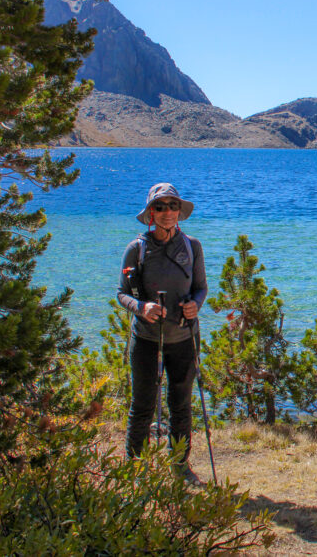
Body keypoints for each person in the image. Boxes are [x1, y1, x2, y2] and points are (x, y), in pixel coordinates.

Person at [117, 183, 207, 479]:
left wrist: (195, 305)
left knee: (180, 404)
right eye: (160, 207)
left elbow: (201, 288)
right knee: (142, 405)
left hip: (183, 338)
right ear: (150, 213)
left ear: (180, 212)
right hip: (146, 338)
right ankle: (136, 469)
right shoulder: (137, 249)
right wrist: (141, 308)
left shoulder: (192, 246)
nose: (167, 212)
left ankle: (180, 465)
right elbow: (121, 294)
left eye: (172, 206)